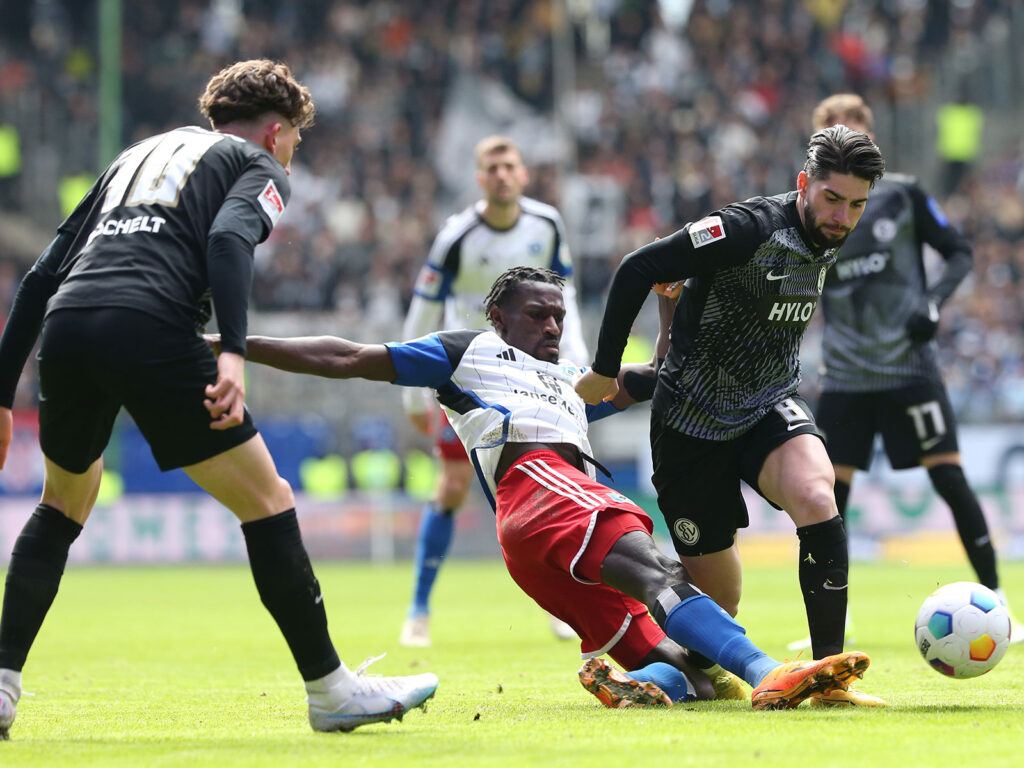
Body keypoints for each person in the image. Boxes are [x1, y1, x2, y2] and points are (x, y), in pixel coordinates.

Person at [0, 59, 437, 740]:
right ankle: (331, 690)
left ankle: (0, 687)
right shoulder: (256, 164)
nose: (293, 152)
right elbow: (230, 238)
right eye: (294, 138)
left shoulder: (135, 158)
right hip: (151, 325)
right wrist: (232, 350)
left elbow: (39, 276)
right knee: (268, 501)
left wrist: (2, 394)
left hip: (69, 326)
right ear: (274, 130)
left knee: (63, 503)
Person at [215, 265, 876, 711]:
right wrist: (235, 345)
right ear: (498, 317)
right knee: (665, 574)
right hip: (541, 485)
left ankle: (632, 680)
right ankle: (772, 673)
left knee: (701, 673)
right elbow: (347, 357)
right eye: (537, 315)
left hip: (539, 538)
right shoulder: (468, 351)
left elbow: (658, 375)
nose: (553, 327)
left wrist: (667, 307)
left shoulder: (568, 386)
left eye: (559, 316)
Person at [575, 126, 888, 707]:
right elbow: (639, 266)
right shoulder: (747, 228)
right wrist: (604, 368)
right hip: (689, 427)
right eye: (833, 199)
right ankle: (661, 675)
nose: (843, 216)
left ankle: (828, 679)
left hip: (767, 404)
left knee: (818, 496)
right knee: (720, 605)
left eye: (856, 205)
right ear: (803, 185)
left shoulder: (831, 234)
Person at [796, 93, 1022, 646]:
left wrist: (935, 304)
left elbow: (959, 252)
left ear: (870, 139)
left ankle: (998, 608)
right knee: (826, 495)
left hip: (908, 367)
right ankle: (833, 619)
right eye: (828, 132)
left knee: (949, 478)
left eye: (849, 130)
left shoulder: (901, 194)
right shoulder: (808, 209)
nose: (840, 140)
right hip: (846, 375)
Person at [399, 135, 587, 647]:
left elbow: (563, 296)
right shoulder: (457, 235)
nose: (502, 174)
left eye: (510, 165)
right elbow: (424, 305)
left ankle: (562, 607)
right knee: (453, 484)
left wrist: (575, 359)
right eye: (492, 168)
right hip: (471, 373)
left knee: (554, 482)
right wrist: (414, 392)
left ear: (523, 174)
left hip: (531, 373)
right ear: (480, 178)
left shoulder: (546, 224)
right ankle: (418, 609)